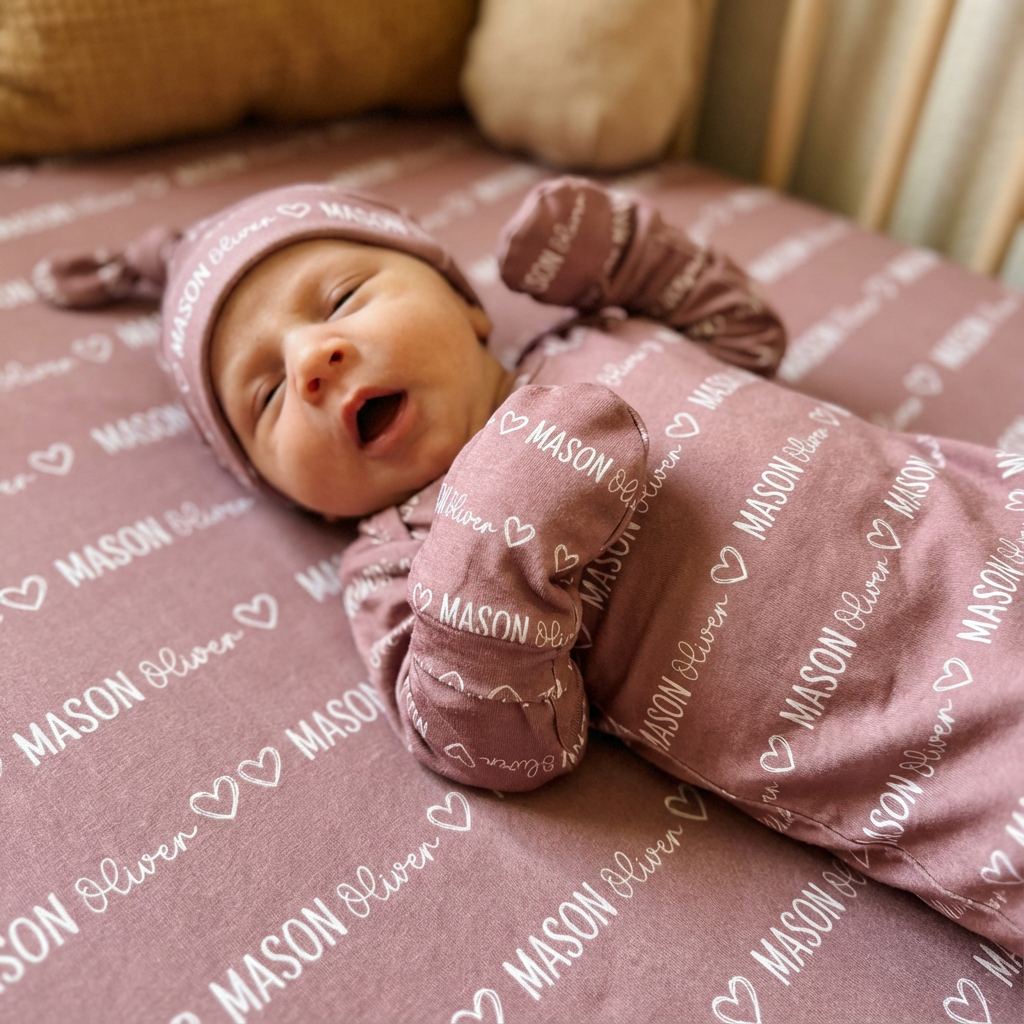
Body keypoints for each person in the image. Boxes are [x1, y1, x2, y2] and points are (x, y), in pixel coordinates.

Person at [36, 177, 1023, 955]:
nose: (313, 360)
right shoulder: (399, 558)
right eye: (263, 399)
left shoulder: (594, 335)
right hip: (938, 742)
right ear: (288, 493)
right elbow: (492, 746)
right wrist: (498, 538)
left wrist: (635, 256)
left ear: (468, 306)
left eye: (340, 298)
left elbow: (745, 335)